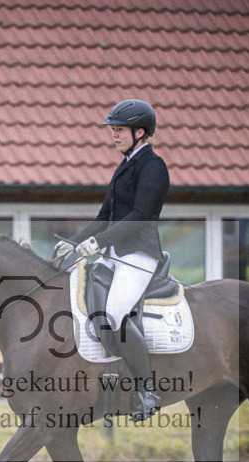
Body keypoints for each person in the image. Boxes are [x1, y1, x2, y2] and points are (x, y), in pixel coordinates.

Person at [53, 98, 169, 421]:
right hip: (116, 255)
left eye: (119, 130)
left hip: (140, 255)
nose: (114, 135)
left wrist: (99, 241)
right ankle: (107, 385)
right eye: (113, 130)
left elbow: (140, 215)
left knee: (115, 314)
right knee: (84, 299)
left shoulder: (154, 167)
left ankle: (147, 392)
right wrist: (74, 243)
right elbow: (105, 215)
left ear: (140, 132)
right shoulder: (124, 166)